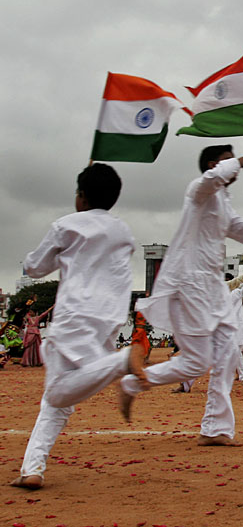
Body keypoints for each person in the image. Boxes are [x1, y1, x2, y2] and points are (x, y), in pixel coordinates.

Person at [119, 145, 243, 448]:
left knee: (228, 355)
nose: (234, 164)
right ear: (213, 165)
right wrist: (240, 161)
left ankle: (215, 428)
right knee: (197, 364)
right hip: (190, 283)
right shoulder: (198, 192)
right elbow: (211, 180)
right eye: (227, 159)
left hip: (213, 288)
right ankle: (132, 383)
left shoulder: (224, 202)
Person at [12, 163, 138, 489]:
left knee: (57, 394)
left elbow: (35, 267)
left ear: (81, 196)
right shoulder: (123, 231)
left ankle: (122, 362)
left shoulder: (66, 225)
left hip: (74, 316)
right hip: (107, 321)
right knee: (59, 401)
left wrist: (58, 253)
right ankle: (32, 469)